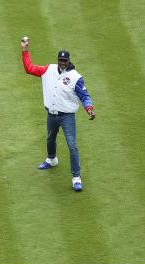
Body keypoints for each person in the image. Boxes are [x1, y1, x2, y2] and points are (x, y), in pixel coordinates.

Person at [20, 37, 96, 192]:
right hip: (51, 114)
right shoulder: (48, 69)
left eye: (65, 60)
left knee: (72, 145)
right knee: (50, 138)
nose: (62, 62)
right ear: (58, 60)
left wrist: (89, 108)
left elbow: (84, 96)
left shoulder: (75, 77)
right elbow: (29, 68)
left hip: (67, 116)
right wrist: (25, 50)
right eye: (60, 60)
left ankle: (76, 178)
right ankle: (52, 159)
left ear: (68, 61)